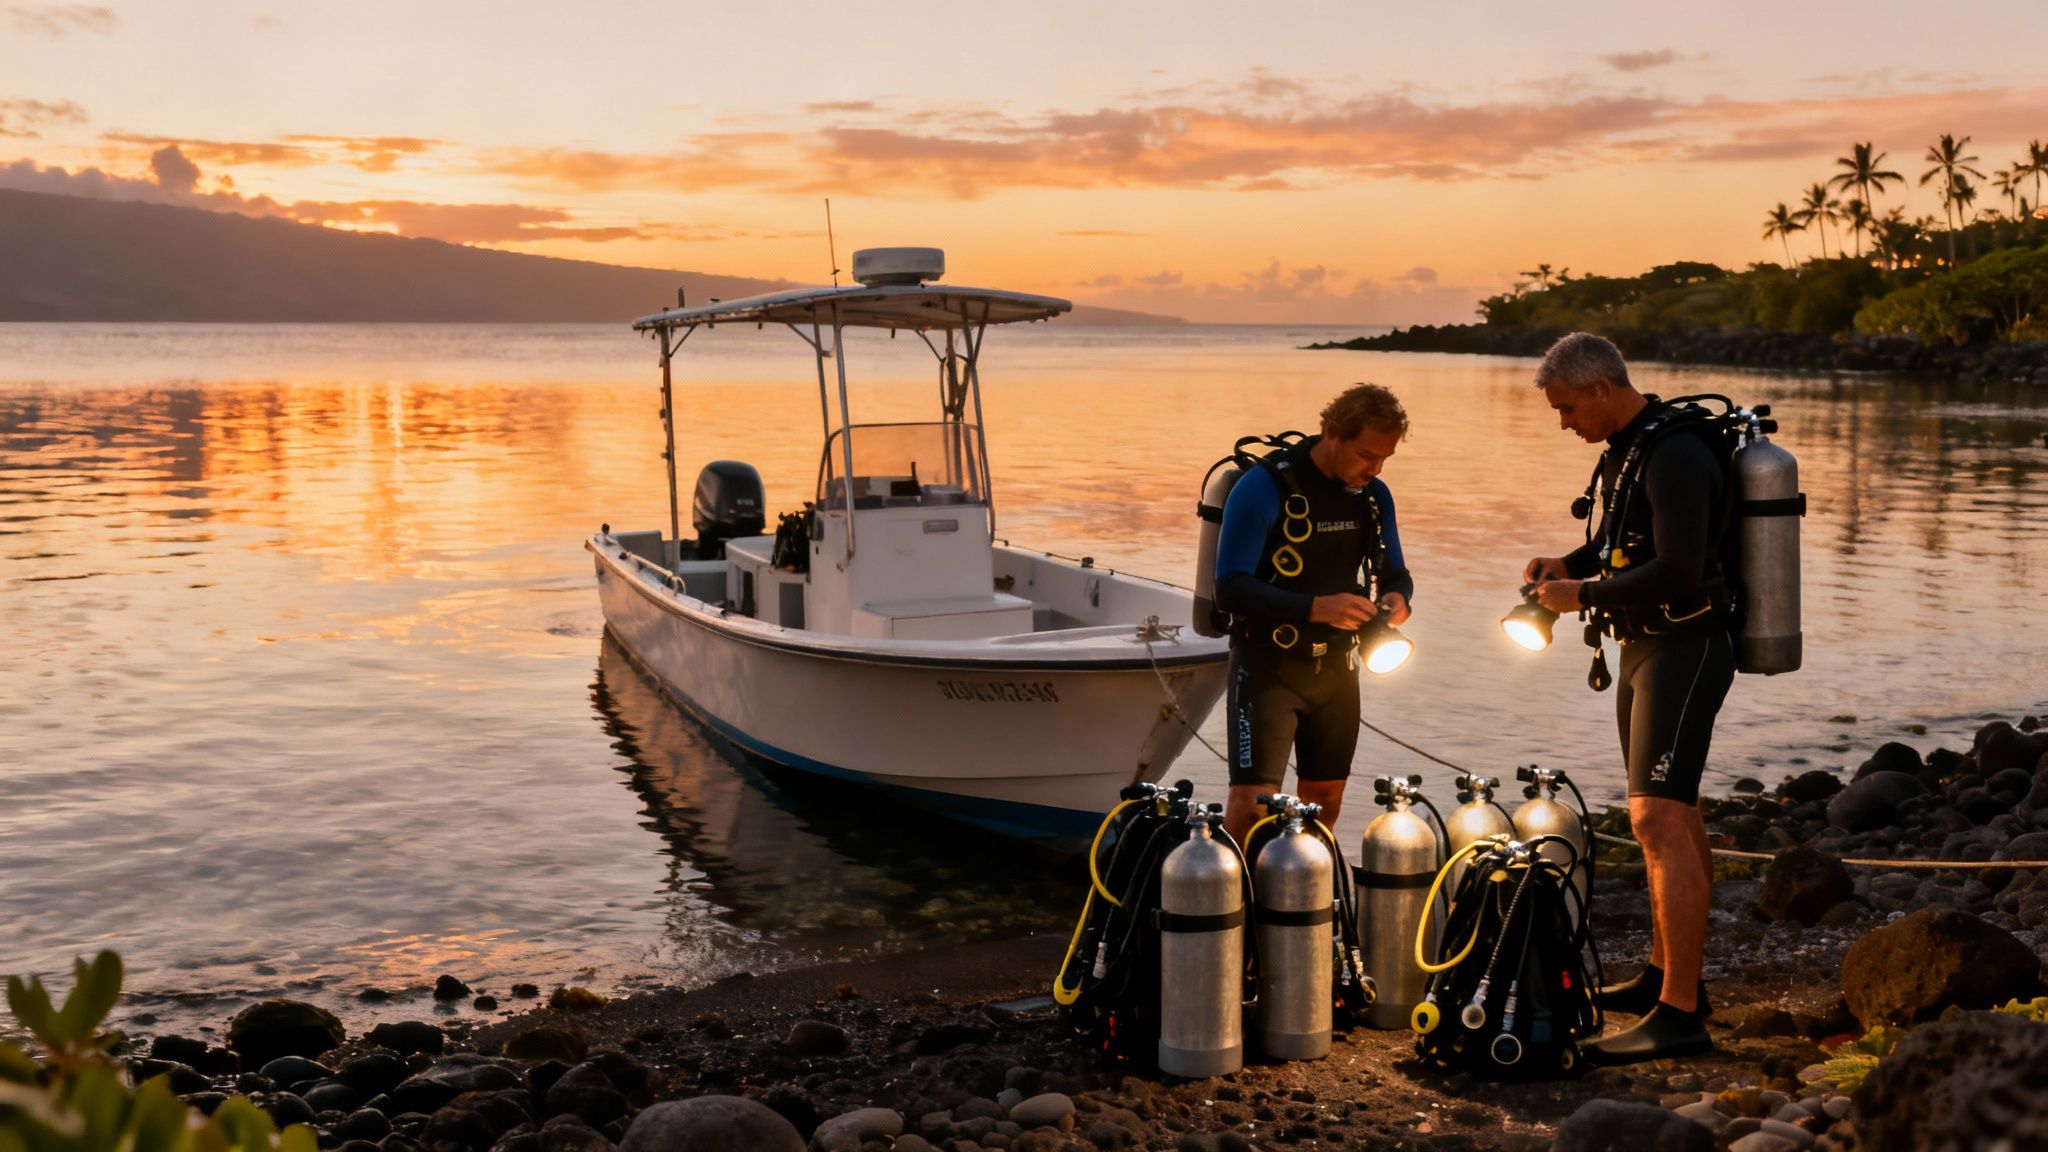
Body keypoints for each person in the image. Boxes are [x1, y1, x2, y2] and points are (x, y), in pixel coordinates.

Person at [1522, 332, 1735, 1063]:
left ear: (1604, 388)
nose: (1564, 422)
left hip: (1686, 646)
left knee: (1655, 819)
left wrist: (1581, 594)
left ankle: (1680, 1015)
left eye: (1568, 407)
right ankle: (1667, 978)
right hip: (1643, 648)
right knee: (1673, 815)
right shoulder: (1628, 446)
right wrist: (1569, 563)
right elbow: (1624, 538)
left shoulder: (1675, 454)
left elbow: (1678, 568)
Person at [1214, 383, 1415, 847]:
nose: (1376, 468)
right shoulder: (1264, 486)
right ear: (1331, 433)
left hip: (1339, 671)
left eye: (1385, 458)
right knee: (1252, 805)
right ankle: (1234, 905)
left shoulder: (1373, 496)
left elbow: (1398, 574)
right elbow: (1230, 588)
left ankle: (1298, 897)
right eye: (1366, 455)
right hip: (1269, 666)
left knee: (1324, 798)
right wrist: (1314, 608)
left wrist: (1396, 602)